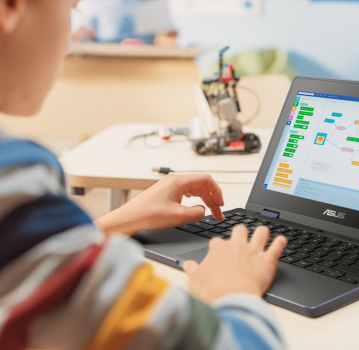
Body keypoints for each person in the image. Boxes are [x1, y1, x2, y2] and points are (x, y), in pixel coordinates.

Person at [0, 0, 287, 349]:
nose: (69, 42)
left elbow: (17, 255)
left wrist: (118, 220)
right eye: (71, 8)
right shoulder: (13, 179)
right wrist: (236, 289)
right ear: (9, 8)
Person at [72, 0, 178, 46]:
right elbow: (86, 31)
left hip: (146, 54)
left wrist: (168, 35)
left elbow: (168, 34)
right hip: (105, 56)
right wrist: (84, 34)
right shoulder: (98, 2)